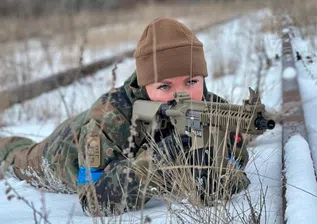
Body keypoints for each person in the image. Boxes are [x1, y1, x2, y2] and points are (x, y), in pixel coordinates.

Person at [0, 18, 250, 216]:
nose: (181, 94)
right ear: (145, 84)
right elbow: (93, 202)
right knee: (15, 157)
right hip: (63, 154)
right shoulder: (110, 116)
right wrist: (158, 159)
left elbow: (237, 158)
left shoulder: (210, 107)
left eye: (192, 81)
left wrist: (219, 171)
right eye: (164, 86)